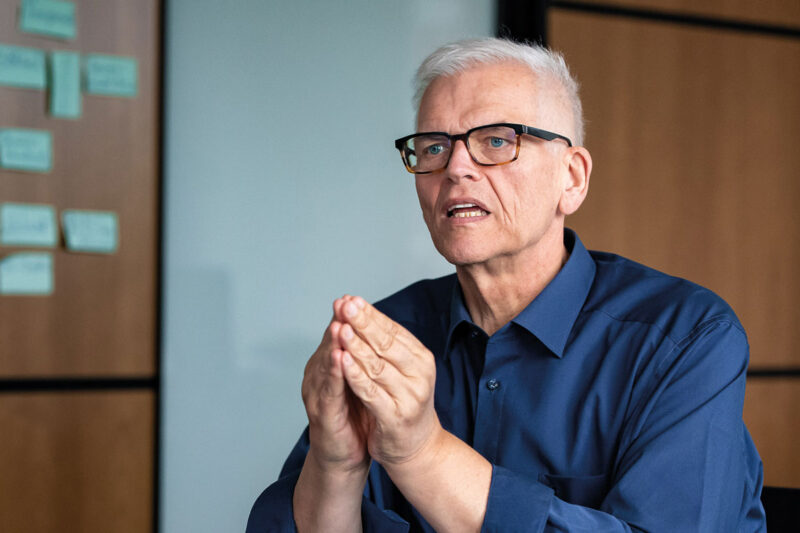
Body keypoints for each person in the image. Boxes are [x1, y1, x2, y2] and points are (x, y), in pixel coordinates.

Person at [246, 38, 766, 532]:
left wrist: (421, 453)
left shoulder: (683, 339)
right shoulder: (390, 338)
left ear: (572, 178)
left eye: (496, 141)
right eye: (433, 147)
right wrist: (333, 465)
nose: (456, 169)